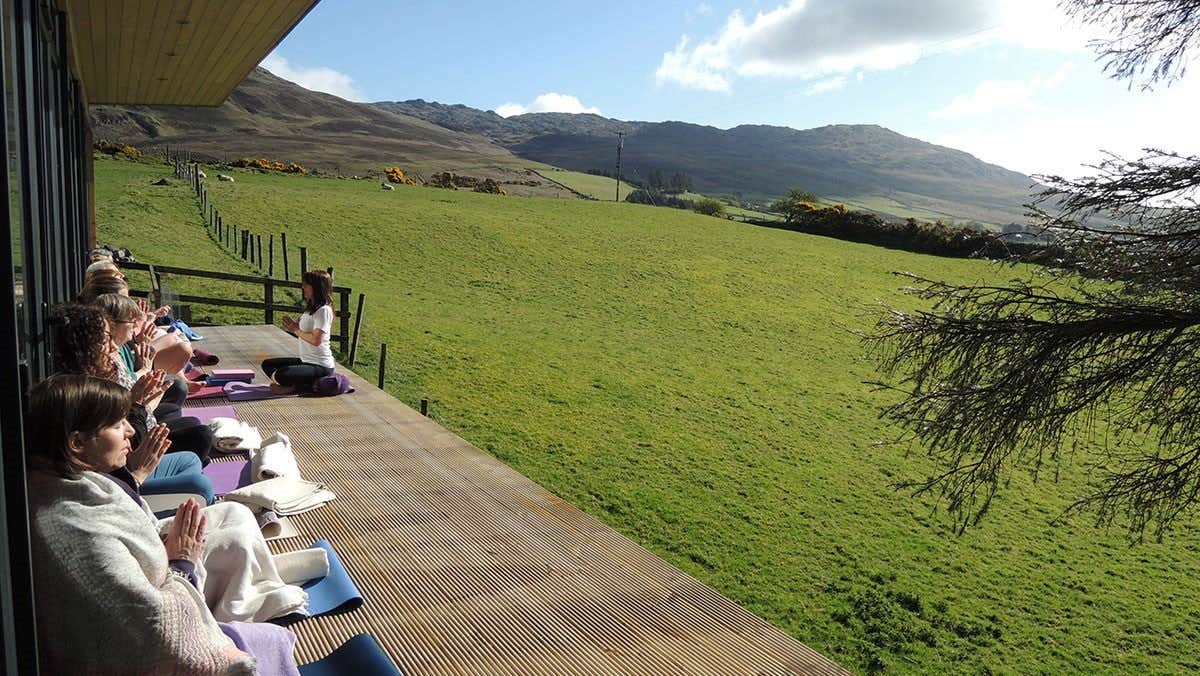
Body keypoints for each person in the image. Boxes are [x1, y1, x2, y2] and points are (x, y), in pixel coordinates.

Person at [25, 374, 259, 674]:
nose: (131, 431)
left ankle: (245, 599)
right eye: (116, 424)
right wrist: (182, 563)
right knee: (236, 539)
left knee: (235, 513)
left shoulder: (72, 484)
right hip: (171, 588)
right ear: (78, 442)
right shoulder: (74, 527)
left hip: (162, 570)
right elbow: (154, 629)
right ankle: (239, 610)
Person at [48, 303, 215, 504]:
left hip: (129, 464)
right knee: (201, 480)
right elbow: (120, 454)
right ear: (83, 349)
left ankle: (183, 496)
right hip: (123, 481)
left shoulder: (95, 378)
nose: (112, 347)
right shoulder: (84, 396)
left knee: (191, 458)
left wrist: (142, 402)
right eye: (104, 341)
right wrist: (137, 474)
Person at [262, 269, 335, 394]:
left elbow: (316, 340)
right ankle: (299, 384)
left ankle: (297, 387)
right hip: (306, 360)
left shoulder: (324, 310)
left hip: (320, 365)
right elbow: (303, 331)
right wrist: (293, 326)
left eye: (306, 284)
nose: (303, 287)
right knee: (268, 364)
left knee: (282, 375)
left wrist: (295, 329)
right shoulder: (311, 309)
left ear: (317, 287)